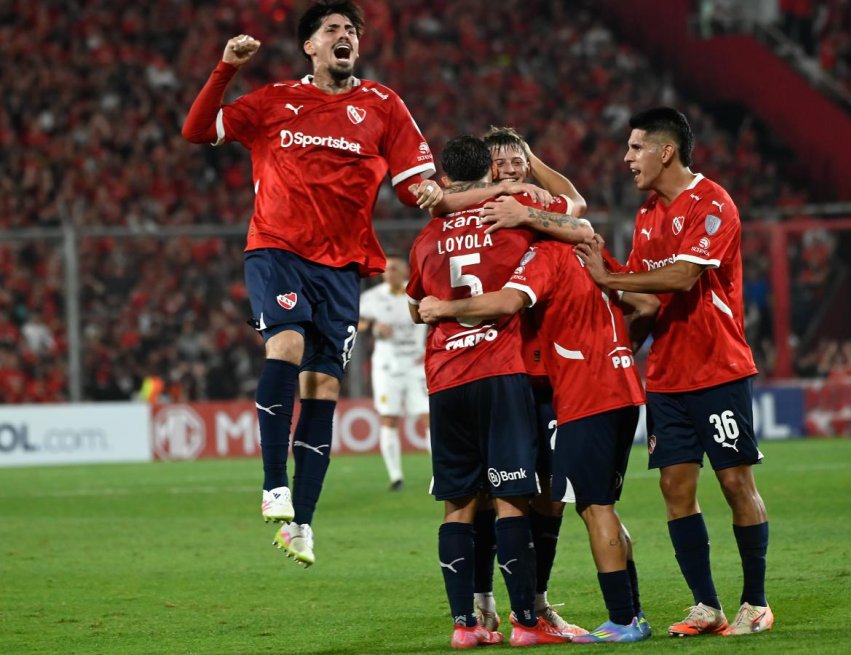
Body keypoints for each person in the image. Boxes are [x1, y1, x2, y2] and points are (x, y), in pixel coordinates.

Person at [181, 1, 444, 567]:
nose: (344, 36)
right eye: (333, 30)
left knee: (323, 388)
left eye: (351, 30)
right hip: (277, 248)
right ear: (311, 46)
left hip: (343, 268)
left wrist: (425, 192)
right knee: (287, 345)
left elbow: (411, 180)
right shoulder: (275, 100)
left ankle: (301, 521)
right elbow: (197, 129)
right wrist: (225, 67)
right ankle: (274, 483)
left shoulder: (382, 104)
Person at [577, 106, 773, 636]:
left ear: (666, 151)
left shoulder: (713, 203)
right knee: (675, 487)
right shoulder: (646, 215)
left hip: (718, 368)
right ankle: (706, 605)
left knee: (735, 481)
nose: (627, 158)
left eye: (636, 147)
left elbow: (683, 277)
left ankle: (754, 602)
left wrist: (610, 277)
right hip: (666, 377)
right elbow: (647, 299)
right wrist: (615, 341)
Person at [418, 233, 659, 643]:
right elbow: (649, 303)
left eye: (518, 164)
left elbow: (509, 301)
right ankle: (494, 603)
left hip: (565, 390)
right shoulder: (580, 247)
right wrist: (617, 348)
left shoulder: (550, 251)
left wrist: (443, 308)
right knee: (577, 503)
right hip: (593, 386)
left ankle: (553, 611)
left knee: (566, 502)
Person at [407, 135, 586, 649]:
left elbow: (414, 307)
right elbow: (577, 217)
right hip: (502, 369)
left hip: (445, 378)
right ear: (489, 171)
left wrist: (440, 309)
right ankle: (526, 621)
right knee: (515, 498)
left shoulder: (426, 237)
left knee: (459, 502)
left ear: (442, 178)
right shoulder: (517, 207)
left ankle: (466, 623)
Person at [467, 126, 588, 638]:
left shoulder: (536, 201)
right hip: (497, 367)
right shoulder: (474, 208)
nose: (511, 166)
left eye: (518, 157)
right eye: (501, 159)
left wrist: (533, 163)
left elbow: (576, 206)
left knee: (548, 494)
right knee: (489, 494)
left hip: (547, 372)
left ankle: (535, 601)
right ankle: (483, 598)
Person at [358, 255, 429, 491]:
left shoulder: (420, 291)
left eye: (395, 268)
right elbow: (359, 323)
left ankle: (439, 473)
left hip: (417, 364)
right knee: (389, 418)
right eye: (386, 269)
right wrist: (374, 329)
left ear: (405, 271)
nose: (389, 273)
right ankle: (396, 477)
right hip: (387, 366)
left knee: (428, 417)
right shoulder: (371, 298)